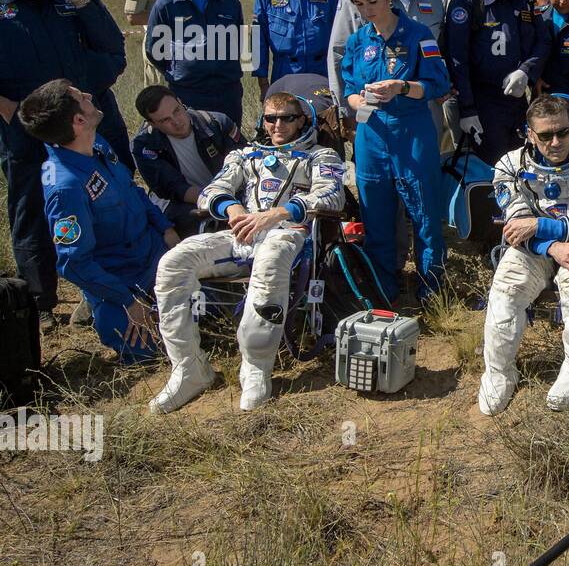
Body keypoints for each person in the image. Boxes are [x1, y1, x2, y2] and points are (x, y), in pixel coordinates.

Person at [150, 91, 346, 413]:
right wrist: (233, 209)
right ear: (262, 121)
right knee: (174, 262)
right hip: (242, 233)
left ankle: (256, 367)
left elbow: (332, 196)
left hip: (289, 235)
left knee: (270, 258)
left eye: (287, 118)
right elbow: (212, 190)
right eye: (271, 118)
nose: (278, 125)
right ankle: (189, 369)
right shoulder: (244, 156)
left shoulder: (322, 157)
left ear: (302, 120)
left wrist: (279, 213)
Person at [1, 0, 132, 330]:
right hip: (26, 126)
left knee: (112, 196)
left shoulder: (72, 0)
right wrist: (5, 106)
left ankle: (107, 285)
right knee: (33, 206)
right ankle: (39, 301)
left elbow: (113, 49)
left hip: (89, 121)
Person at [477, 95, 569, 415]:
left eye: (563, 133)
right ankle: (500, 371)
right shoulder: (509, 167)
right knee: (507, 286)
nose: (555, 142)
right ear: (530, 134)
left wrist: (543, 226)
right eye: (544, 136)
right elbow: (515, 228)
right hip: (539, 248)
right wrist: (552, 245)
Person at [18, 80, 178, 361]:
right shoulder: (65, 187)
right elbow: (73, 262)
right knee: (151, 347)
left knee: (217, 309)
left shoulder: (97, 143)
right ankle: (100, 308)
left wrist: (167, 231)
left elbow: (134, 191)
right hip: (122, 282)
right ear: (79, 120)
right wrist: (129, 302)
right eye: (82, 97)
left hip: (155, 255)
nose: (90, 95)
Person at [340, 0, 451, 301]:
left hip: (412, 134)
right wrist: (358, 102)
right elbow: (349, 87)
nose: (366, 10)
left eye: (372, 1)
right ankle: (383, 292)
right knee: (376, 218)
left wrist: (402, 87)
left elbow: (438, 83)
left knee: (425, 218)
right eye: (359, 3)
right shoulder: (358, 41)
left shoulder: (418, 35)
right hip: (371, 137)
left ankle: (431, 292)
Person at [444, 0, 551, 164]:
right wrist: (467, 109)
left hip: (516, 102)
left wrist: (526, 71)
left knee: (520, 166)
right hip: (482, 104)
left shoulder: (526, 0)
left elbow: (543, 42)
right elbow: (457, 58)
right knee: (491, 172)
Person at [328, 0, 445, 124]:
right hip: (374, 116)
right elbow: (338, 55)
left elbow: (440, 48)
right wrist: (345, 111)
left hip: (424, 113)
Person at [146, 0, 247, 126]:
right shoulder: (167, 5)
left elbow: (239, 45)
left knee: (231, 151)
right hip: (187, 95)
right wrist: (184, 70)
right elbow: (155, 52)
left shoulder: (229, 2)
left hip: (227, 94)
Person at [131, 85, 246, 237]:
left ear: (180, 102)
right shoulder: (145, 145)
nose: (177, 122)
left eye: (177, 111)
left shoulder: (217, 123)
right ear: (152, 123)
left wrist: (227, 200)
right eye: (165, 120)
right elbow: (175, 188)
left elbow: (245, 164)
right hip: (182, 200)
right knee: (202, 224)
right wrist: (218, 202)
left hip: (228, 189)